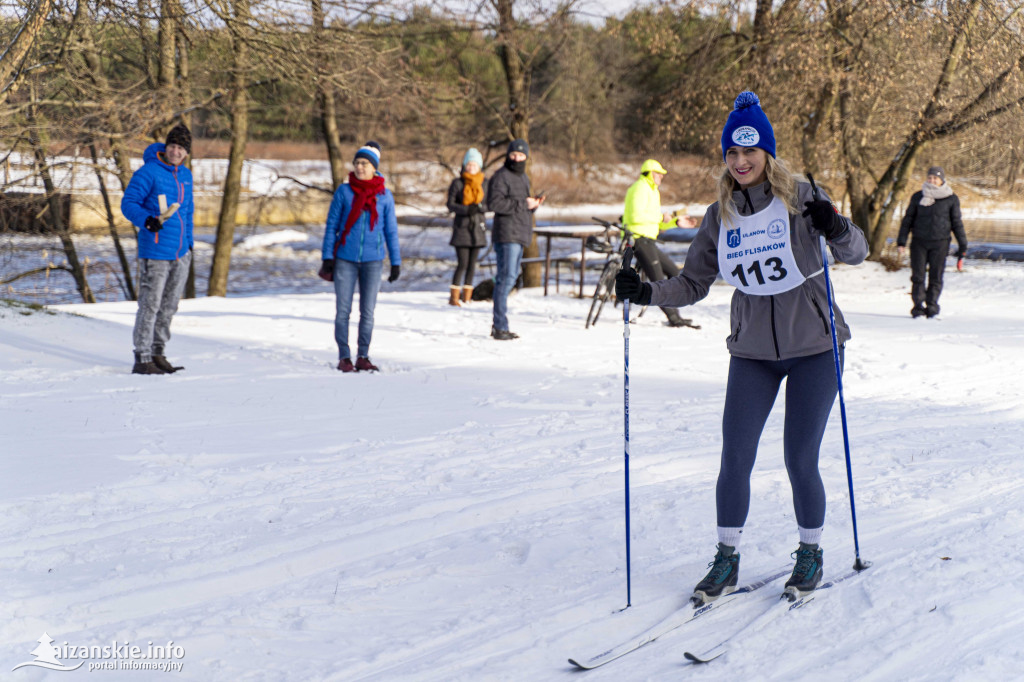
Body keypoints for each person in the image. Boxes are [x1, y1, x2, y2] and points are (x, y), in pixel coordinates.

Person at [615, 92, 869, 602]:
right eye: (732, 153)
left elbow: (855, 251)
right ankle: (727, 558)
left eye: (750, 152)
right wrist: (646, 293)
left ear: (767, 154)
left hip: (816, 347)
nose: (741, 162)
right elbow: (691, 283)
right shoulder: (719, 215)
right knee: (735, 457)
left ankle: (810, 552)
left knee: (800, 458)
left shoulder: (801, 198)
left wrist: (836, 225)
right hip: (752, 352)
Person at [319, 141, 401, 373]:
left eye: (365, 163)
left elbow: (391, 230)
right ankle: (344, 357)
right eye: (357, 163)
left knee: (368, 312)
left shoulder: (384, 196)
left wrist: (395, 262)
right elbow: (332, 225)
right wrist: (327, 257)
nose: (360, 167)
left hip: (373, 261)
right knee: (343, 311)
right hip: (345, 259)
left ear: (374, 167)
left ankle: (363, 355)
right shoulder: (344, 192)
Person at [121, 123, 195, 375]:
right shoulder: (149, 172)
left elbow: (189, 211)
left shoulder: (185, 175)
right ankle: (142, 357)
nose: (176, 151)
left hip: (181, 252)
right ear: (166, 147)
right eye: (172, 146)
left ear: (186, 153)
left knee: (170, 306)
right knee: (150, 305)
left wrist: (190, 244)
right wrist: (147, 220)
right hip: (155, 251)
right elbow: (128, 203)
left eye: (181, 148)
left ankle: (157, 352)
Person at [622, 159, 699, 328]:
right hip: (638, 239)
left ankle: (675, 314)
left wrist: (675, 222)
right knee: (658, 280)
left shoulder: (653, 191)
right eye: (659, 174)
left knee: (674, 272)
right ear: (650, 173)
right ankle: (673, 318)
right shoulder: (640, 188)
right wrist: (660, 217)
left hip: (649, 240)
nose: (661, 177)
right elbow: (636, 217)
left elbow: (657, 222)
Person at [485, 139, 544, 340]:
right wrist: (522, 204)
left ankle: (500, 325)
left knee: (509, 278)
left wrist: (533, 204)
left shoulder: (524, 178)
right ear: (508, 155)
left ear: (526, 157)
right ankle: (499, 326)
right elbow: (494, 203)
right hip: (506, 234)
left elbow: (521, 205)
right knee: (506, 278)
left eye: (520, 155)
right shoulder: (501, 177)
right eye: (513, 155)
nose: (516, 158)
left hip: (520, 233)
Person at [896, 166, 968, 318]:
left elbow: (957, 223)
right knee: (918, 276)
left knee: (936, 276)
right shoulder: (918, 196)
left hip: (940, 243)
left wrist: (963, 244)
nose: (932, 180)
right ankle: (917, 306)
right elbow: (907, 220)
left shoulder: (951, 198)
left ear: (942, 180)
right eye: (930, 178)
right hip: (919, 243)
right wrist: (901, 241)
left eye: (935, 178)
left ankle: (932, 306)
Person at [446, 147, 487, 306]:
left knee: (472, 264)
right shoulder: (457, 183)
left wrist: (480, 208)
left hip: (477, 229)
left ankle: (467, 297)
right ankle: (454, 297)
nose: (471, 168)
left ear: (479, 167)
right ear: (464, 165)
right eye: (469, 164)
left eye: (474, 165)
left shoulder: (484, 183)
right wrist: (466, 209)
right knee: (462, 263)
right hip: (462, 229)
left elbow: (489, 204)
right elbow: (450, 204)